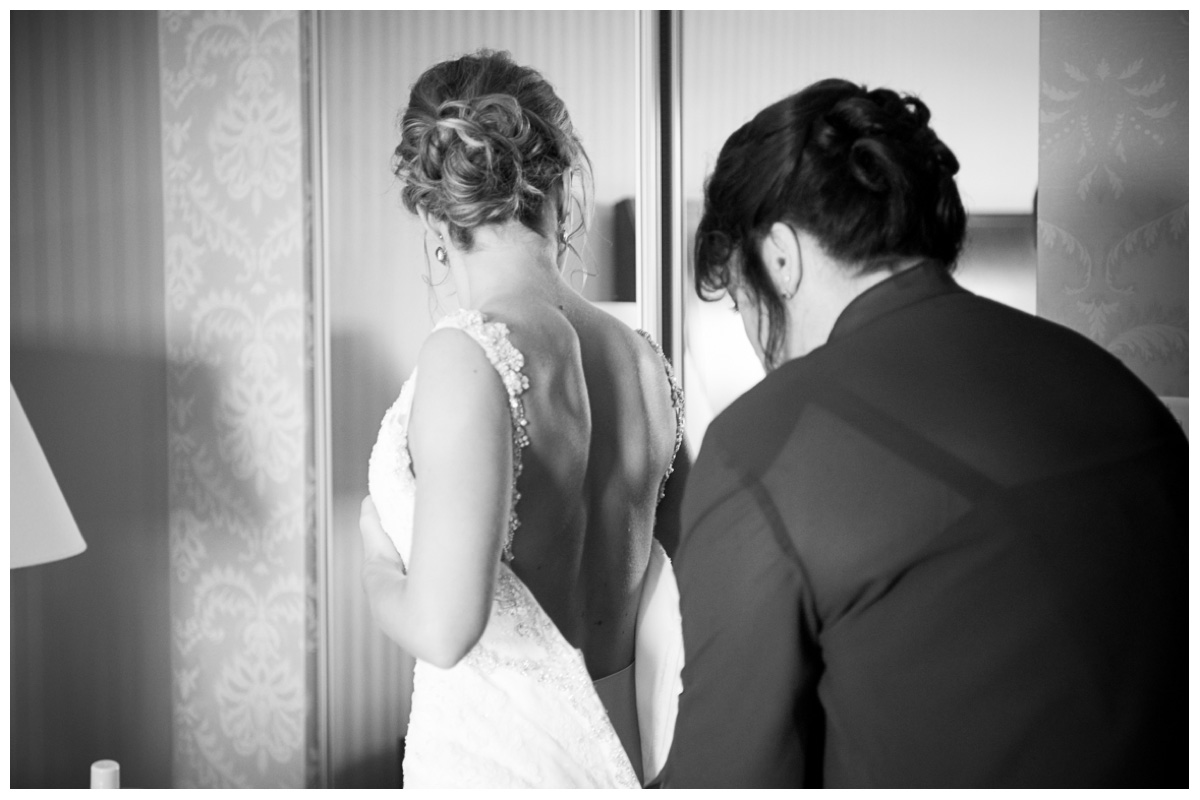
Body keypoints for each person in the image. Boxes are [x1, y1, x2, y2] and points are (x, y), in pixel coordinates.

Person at [658, 78, 1188, 788]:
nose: (757, 343)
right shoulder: (1119, 391)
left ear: (779, 256)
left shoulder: (764, 441)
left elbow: (727, 777)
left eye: (742, 302)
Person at [359, 50, 687, 789]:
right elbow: (674, 580)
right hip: (626, 754)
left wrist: (375, 565)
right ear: (561, 180)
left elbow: (443, 634)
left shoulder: (468, 354)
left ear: (431, 206)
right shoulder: (644, 362)